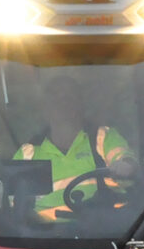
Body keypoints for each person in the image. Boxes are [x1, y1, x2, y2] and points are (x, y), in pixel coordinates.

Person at [13, 74, 136, 218]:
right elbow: (14, 207)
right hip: (47, 236)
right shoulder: (28, 154)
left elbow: (126, 160)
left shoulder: (103, 137)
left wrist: (125, 166)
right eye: (56, 98)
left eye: (69, 97)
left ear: (80, 105)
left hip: (107, 230)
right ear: (45, 109)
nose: (63, 103)